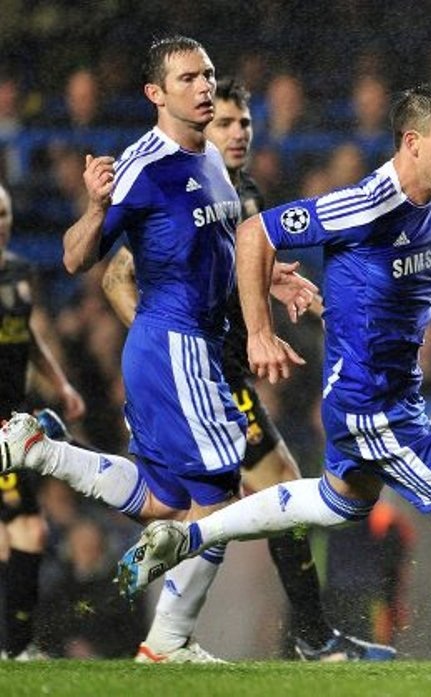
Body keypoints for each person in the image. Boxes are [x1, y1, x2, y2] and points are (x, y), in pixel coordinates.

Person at [115, 83, 431, 669]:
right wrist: (257, 331)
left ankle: (189, 536)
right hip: (373, 408)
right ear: (413, 141)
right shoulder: (366, 204)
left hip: (383, 401)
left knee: (336, 503)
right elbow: (256, 234)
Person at [0, 35, 295, 664]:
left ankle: (42, 452)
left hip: (192, 348)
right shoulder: (143, 165)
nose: (204, 86)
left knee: (164, 500)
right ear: (155, 94)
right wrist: (96, 204)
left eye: (209, 74)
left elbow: (221, 249)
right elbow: (76, 258)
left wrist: (274, 277)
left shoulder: (210, 158)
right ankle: (167, 642)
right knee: (219, 500)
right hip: (174, 345)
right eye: (188, 78)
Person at [99, 77, 391, 661]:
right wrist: (172, 349)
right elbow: (114, 277)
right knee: (221, 501)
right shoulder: (183, 187)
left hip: (225, 376)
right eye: (225, 123)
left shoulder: (247, 193)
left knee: (213, 501)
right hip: (195, 376)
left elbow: (254, 275)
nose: (236, 133)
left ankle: (292, 636)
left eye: (245, 124)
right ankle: (286, 638)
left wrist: (306, 302)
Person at [0, 181, 86, 660]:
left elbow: (26, 337)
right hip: (2, 430)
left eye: (5, 213)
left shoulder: (18, 272)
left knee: (15, 535)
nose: (2, 223)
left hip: (15, 418)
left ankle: (15, 647)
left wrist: (61, 384)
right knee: (28, 529)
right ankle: (17, 647)